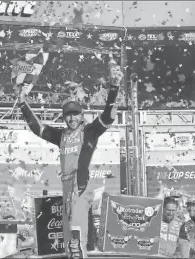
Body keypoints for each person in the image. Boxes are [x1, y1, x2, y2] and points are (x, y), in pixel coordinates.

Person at [19, 54, 123, 258]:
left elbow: (109, 114)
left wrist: (114, 87)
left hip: (81, 184)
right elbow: (38, 128)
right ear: (64, 117)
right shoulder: (62, 135)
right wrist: (23, 103)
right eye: (68, 114)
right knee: (69, 240)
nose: (72, 118)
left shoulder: (90, 131)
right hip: (66, 188)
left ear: (81, 115)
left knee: (76, 236)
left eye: (76, 114)